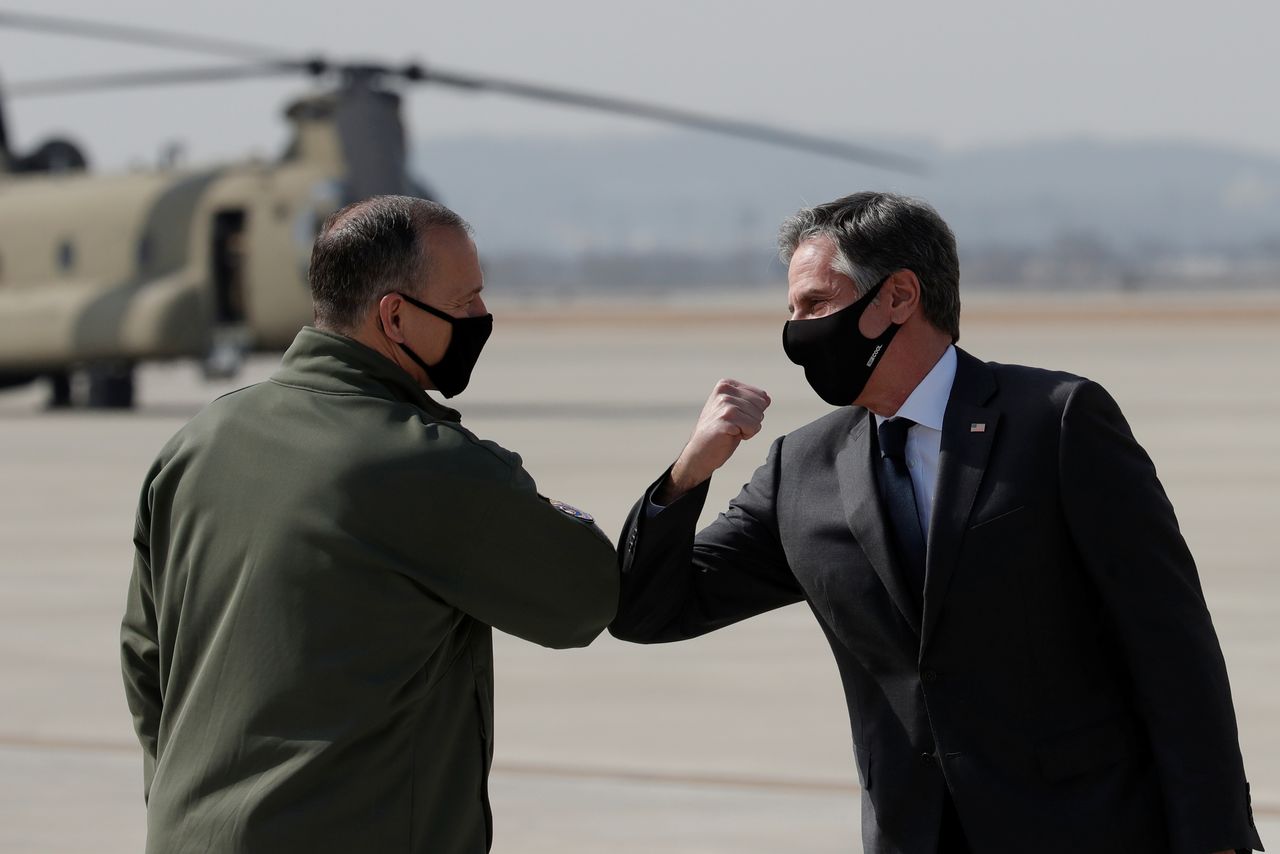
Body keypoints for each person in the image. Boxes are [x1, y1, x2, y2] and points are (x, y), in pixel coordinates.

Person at [609, 191, 1261, 854]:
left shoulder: (1057, 422)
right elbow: (647, 612)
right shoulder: (801, 469)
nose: (797, 331)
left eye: (815, 304)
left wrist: (1216, 835)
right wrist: (688, 474)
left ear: (898, 297)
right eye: (792, 310)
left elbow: (1171, 645)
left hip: (1089, 827)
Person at [121, 195, 617, 853]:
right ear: (395, 316)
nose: (481, 318)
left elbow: (145, 660)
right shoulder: (417, 463)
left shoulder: (198, 442)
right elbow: (583, 599)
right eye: (466, 301)